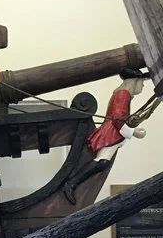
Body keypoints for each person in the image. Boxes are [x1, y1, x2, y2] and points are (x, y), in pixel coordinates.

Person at [63, 69, 148, 204]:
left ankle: (72, 183)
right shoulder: (123, 94)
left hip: (113, 130)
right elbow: (118, 118)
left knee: (102, 161)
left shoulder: (122, 93)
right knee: (102, 161)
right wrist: (134, 132)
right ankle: (71, 183)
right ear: (134, 81)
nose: (142, 85)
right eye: (141, 82)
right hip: (112, 132)